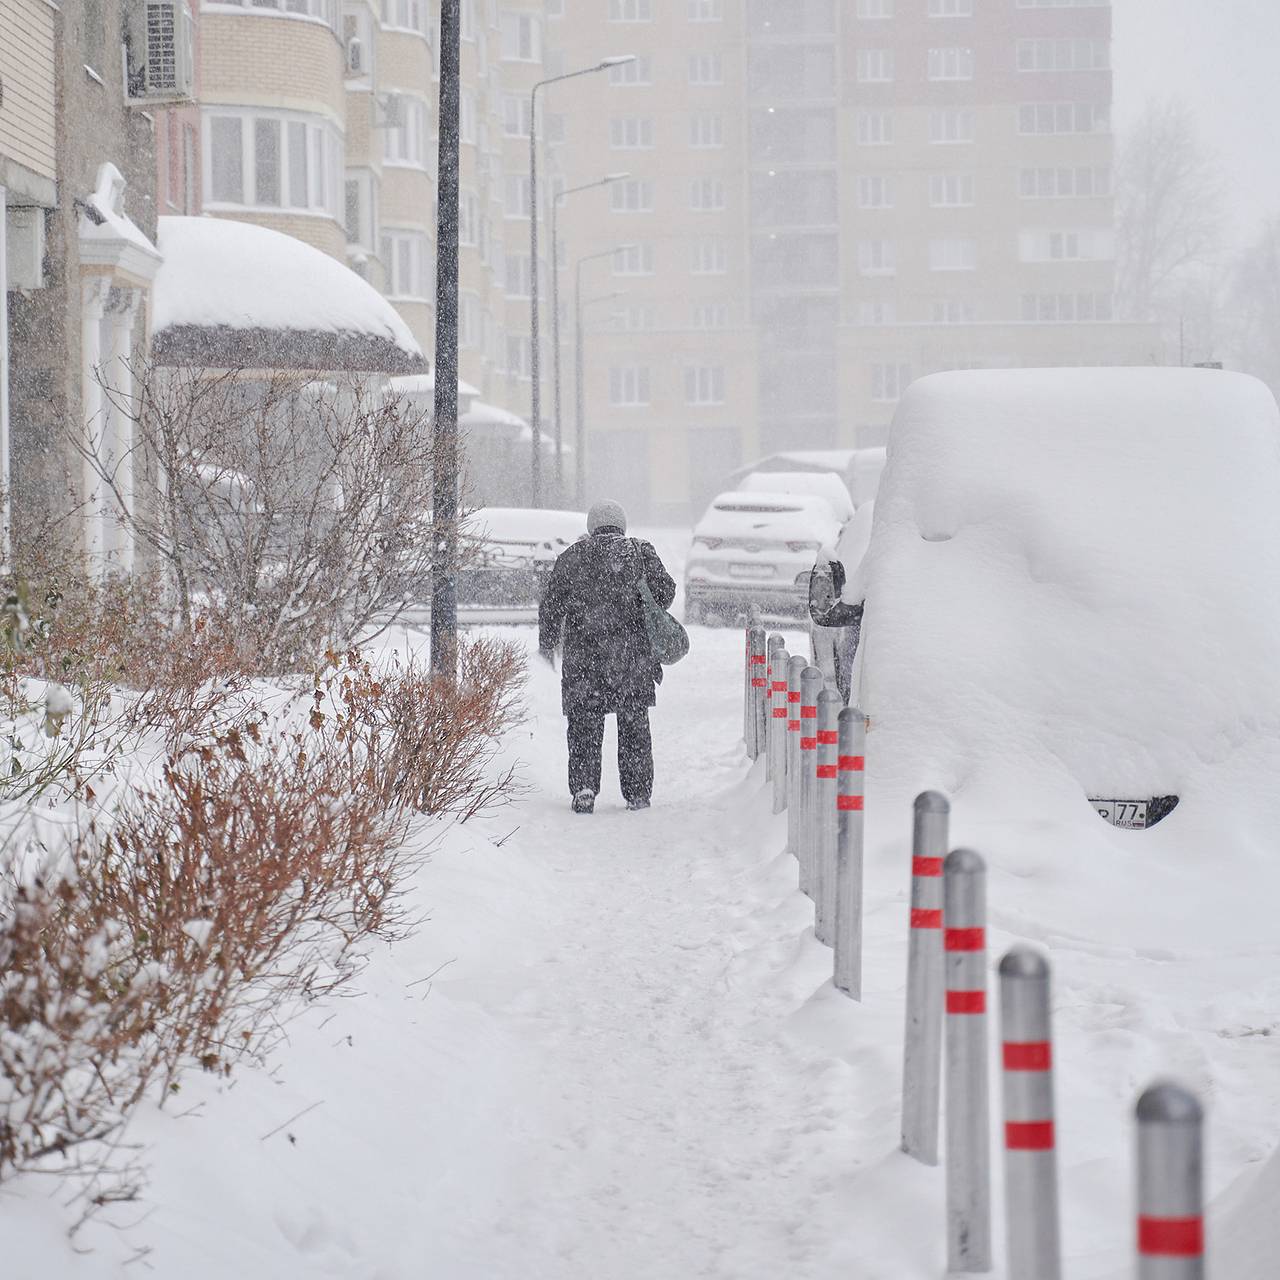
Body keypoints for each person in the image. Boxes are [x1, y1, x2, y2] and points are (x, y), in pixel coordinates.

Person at [537, 499, 676, 814]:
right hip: (632, 658)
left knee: (584, 725)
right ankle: (637, 793)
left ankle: (584, 788)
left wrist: (548, 642)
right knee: (634, 727)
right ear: (621, 525)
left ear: (591, 526)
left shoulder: (572, 556)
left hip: (584, 660)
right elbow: (666, 593)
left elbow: (551, 603)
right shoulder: (640, 552)